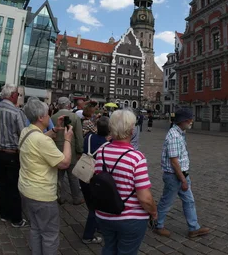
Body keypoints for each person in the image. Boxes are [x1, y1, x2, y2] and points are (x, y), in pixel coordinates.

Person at [94, 110, 157, 254]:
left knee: (109, 247)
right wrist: (153, 211)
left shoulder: (101, 152)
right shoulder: (136, 157)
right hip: (130, 218)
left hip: (104, 214)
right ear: (131, 130)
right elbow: (145, 198)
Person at [19, 98, 74, 254]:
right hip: (42, 194)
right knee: (50, 234)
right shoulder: (42, 140)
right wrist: (68, 140)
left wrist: (55, 129)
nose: (50, 115)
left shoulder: (26, 131)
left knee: (36, 228)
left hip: (26, 189)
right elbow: (64, 163)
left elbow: (39, 138)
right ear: (41, 117)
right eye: (48, 113)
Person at [154, 108, 210, 239]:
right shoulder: (174, 135)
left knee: (189, 201)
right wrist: (183, 180)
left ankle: (194, 228)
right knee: (166, 202)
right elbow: (174, 161)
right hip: (174, 176)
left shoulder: (180, 133)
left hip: (181, 174)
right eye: (189, 119)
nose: (191, 121)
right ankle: (158, 225)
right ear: (183, 121)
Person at [0, 83, 28, 228]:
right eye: (17, 94)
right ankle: (16, 219)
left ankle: (4, 214)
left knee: (2, 184)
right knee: (14, 186)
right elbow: (24, 134)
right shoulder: (17, 112)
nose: (18, 96)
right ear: (12, 95)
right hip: (12, 154)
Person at [79, 116, 110, 245]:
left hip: (84, 173)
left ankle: (97, 225)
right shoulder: (107, 145)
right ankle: (88, 235)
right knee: (95, 207)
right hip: (95, 178)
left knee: (91, 203)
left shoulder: (89, 137)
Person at [51, 97, 84, 205]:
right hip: (71, 150)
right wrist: (80, 150)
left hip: (56, 150)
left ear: (59, 105)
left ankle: (60, 197)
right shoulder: (74, 117)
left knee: (58, 176)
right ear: (68, 105)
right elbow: (79, 136)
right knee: (73, 176)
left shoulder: (53, 117)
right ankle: (76, 198)